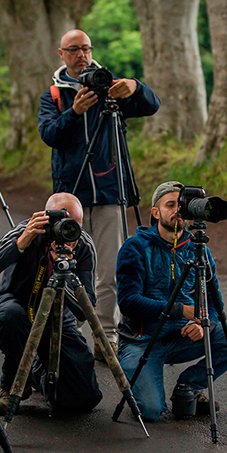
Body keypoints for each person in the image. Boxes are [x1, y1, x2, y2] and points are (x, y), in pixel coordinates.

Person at [38, 29, 160, 361]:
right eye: (74, 50)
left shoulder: (111, 87)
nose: (82, 55)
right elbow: (49, 134)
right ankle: (71, 338)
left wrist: (135, 85)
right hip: (70, 197)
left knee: (110, 269)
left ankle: (106, 336)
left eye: (87, 48)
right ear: (61, 54)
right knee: (70, 267)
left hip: (109, 192)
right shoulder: (53, 94)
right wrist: (74, 112)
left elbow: (151, 105)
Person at [115, 181, 227, 421]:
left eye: (182, 205)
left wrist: (202, 323)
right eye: (170, 205)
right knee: (150, 412)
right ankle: (139, 385)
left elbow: (213, 303)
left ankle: (188, 386)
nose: (177, 210)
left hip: (181, 338)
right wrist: (181, 311)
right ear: (156, 212)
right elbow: (128, 302)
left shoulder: (199, 250)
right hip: (141, 341)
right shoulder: (135, 248)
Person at [0, 193, 103, 416]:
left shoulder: (83, 244)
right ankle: (12, 387)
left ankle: (38, 370)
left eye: (75, 225)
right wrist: (20, 243)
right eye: (61, 222)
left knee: (82, 399)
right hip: (16, 305)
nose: (67, 231)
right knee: (12, 316)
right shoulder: (27, 230)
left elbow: (85, 310)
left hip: (57, 317)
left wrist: (66, 271)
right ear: (44, 218)